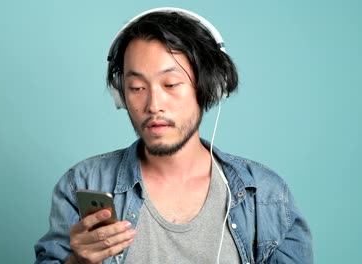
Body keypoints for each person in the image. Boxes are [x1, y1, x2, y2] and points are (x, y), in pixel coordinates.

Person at [34, 7, 313, 264]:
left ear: (209, 88)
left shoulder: (266, 196)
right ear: (121, 96)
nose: (154, 105)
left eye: (171, 84)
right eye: (136, 87)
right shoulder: (83, 183)